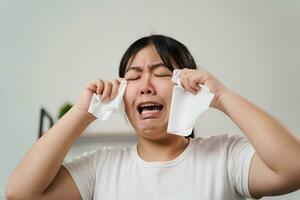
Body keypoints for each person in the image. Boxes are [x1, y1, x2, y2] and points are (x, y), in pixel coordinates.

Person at [5, 35, 300, 200]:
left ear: (190, 88)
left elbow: (294, 168)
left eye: (160, 74)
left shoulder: (226, 156)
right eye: (133, 77)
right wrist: (83, 113)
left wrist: (220, 96)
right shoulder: (100, 167)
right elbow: (20, 194)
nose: (145, 84)